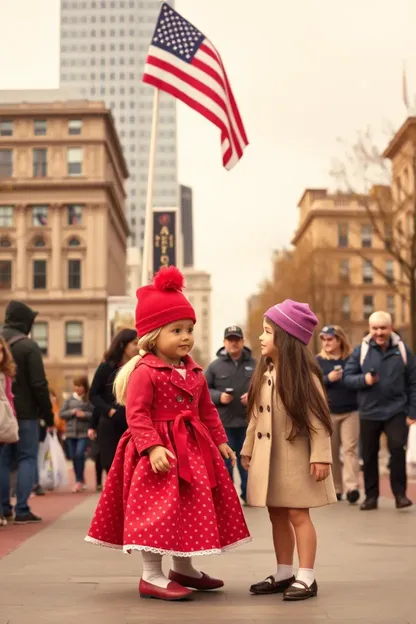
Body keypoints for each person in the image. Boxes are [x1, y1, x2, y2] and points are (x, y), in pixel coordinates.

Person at [85, 266, 251, 602]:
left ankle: (184, 568)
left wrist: (220, 440)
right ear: (152, 336)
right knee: (156, 510)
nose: (186, 337)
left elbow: (206, 410)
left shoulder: (195, 370)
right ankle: (151, 574)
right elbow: (137, 414)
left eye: (189, 329)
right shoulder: (145, 371)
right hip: (158, 452)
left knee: (187, 507)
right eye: (176, 330)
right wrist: (152, 447)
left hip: (191, 447)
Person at [241, 299, 336, 601]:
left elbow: (318, 420)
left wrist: (320, 455)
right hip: (270, 459)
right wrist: (248, 448)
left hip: (297, 459)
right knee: (277, 513)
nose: (261, 337)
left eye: (267, 331)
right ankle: (284, 572)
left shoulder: (304, 378)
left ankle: (307, 576)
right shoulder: (265, 375)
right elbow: (255, 418)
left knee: (298, 513)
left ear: (285, 338)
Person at [344, 311, 416, 511]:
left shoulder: (402, 350)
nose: (379, 332)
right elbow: (347, 378)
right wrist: (363, 380)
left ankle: (400, 495)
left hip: (396, 411)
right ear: (370, 329)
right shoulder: (361, 351)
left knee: (396, 450)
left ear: (390, 328)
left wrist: (413, 412)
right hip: (369, 412)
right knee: (369, 455)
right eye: (375, 328)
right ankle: (371, 497)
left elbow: (413, 382)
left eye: (383, 328)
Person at [0, 301, 54, 524]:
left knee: (3, 461)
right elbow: (39, 384)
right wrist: (48, 415)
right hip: (26, 414)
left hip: (3, 415)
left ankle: (4, 508)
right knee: (27, 458)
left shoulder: (2, 343)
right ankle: (22, 508)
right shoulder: (28, 347)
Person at [205, 326, 255, 503]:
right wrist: (219, 397)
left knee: (247, 460)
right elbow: (203, 391)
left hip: (248, 423)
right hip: (224, 424)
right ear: (224, 343)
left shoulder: (254, 364)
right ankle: (227, 498)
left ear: (242, 342)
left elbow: (266, 386)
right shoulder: (214, 366)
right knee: (225, 463)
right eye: (230, 340)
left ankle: (249, 494)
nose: (234, 343)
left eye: (237, 340)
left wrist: (253, 395)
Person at [316, 325, 360, 504]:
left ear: (339, 340)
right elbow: (312, 383)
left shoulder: (351, 359)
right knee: (332, 452)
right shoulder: (318, 360)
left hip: (351, 411)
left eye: (330, 339)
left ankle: (352, 487)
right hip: (329, 412)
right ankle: (337, 488)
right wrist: (328, 379)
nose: (326, 343)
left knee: (350, 449)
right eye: (324, 340)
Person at [88, 328, 138, 473]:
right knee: (112, 466)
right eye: (135, 343)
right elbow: (93, 395)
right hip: (110, 423)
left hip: (133, 422)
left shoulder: (140, 367)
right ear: (123, 345)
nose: (138, 347)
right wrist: (109, 411)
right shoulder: (106, 368)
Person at [60, 375, 94, 492]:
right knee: (74, 457)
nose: (77, 388)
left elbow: (94, 415)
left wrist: (84, 415)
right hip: (70, 433)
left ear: (85, 387)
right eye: (76, 386)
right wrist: (72, 412)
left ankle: (79, 481)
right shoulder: (69, 400)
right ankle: (79, 478)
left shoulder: (89, 400)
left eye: (80, 386)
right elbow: (61, 414)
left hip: (83, 433)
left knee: (80, 454)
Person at [0, 336, 17, 526]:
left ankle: (3, 509)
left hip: (3, 423)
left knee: (3, 466)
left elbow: (10, 399)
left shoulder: (6, 375)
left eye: (0, 350)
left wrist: (12, 421)